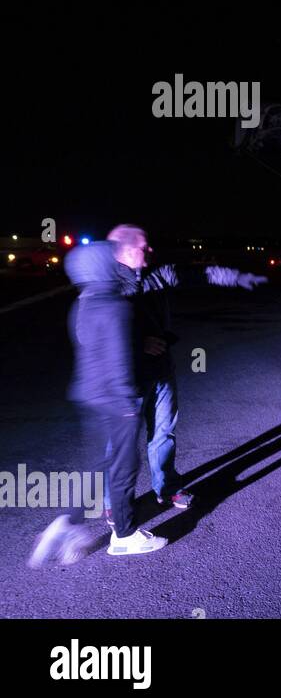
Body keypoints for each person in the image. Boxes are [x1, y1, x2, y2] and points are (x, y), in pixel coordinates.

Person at [102, 225, 266, 522]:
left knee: (164, 433)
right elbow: (89, 334)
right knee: (122, 447)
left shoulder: (155, 275)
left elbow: (198, 274)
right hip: (126, 381)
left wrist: (238, 277)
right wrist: (137, 344)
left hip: (162, 371)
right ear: (125, 250)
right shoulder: (106, 286)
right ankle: (115, 503)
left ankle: (167, 487)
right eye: (144, 247)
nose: (151, 251)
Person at [29, 240, 166, 565]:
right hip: (115, 399)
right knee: (123, 468)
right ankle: (125, 537)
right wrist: (127, 403)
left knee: (97, 468)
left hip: (88, 395)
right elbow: (118, 359)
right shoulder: (115, 305)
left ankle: (68, 523)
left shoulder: (83, 301)